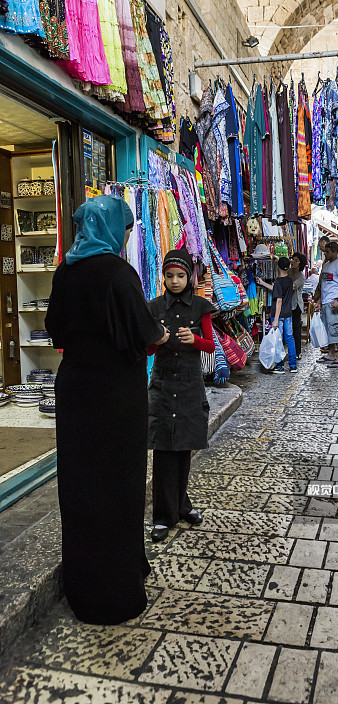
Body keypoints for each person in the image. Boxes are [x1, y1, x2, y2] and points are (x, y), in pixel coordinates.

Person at [45, 196, 169, 625]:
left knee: (81, 487)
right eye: (128, 230)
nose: (128, 237)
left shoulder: (66, 271)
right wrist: (162, 335)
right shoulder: (119, 273)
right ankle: (117, 592)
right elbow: (147, 334)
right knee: (119, 485)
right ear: (114, 229)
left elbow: (55, 330)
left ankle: (84, 589)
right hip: (116, 394)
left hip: (76, 390)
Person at [147, 248, 216, 542]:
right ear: (163, 277)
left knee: (184, 449)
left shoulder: (201, 307)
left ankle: (182, 506)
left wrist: (194, 339)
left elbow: (211, 345)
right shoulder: (153, 308)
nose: (175, 281)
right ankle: (162, 516)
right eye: (169, 276)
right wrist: (158, 340)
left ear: (189, 277)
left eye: (180, 275)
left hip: (189, 385)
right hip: (163, 385)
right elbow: (146, 349)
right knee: (164, 450)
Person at [315, 241, 338, 367]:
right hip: (325, 302)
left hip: (334, 302)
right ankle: (331, 354)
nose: (325, 254)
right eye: (324, 251)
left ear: (335, 252)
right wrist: (319, 301)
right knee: (328, 329)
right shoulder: (326, 266)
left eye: (327, 252)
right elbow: (324, 286)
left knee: (335, 329)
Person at [271, 256, 297, 373]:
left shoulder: (278, 282)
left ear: (278, 267)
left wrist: (276, 319)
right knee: (290, 338)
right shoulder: (290, 281)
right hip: (288, 314)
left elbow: (279, 301)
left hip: (280, 315)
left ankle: (280, 365)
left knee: (279, 340)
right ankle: (293, 365)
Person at [290, 252, 307, 359]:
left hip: (296, 305)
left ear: (300, 263)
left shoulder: (301, 276)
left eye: (296, 260)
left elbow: (292, 287)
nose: (293, 261)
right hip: (287, 304)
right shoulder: (288, 271)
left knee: (296, 328)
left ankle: (297, 352)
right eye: (292, 259)